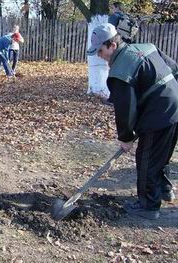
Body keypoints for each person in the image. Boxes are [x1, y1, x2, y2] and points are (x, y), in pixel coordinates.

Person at [87, 23, 178, 220]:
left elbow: (125, 108)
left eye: (100, 50)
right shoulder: (147, 47)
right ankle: (164, 190)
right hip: (174, 106)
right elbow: (174, 69)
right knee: (160, 155)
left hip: (158, 113)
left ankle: (148, 206)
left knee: (146, 160)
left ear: (111, 45)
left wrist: (126, 136)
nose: (98, 55)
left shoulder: (120, 71)